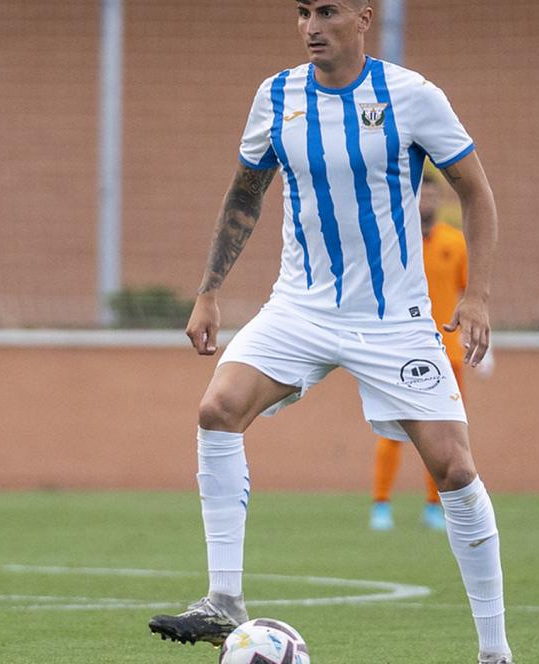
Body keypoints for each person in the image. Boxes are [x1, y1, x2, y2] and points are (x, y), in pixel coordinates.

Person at [148, 1, 514, 662]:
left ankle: (495, 653)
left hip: (393, 319)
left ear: (363, 18)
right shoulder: (276, 96)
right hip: (300, 308)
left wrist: (478, 296)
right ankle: (224, 598)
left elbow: (477, 193)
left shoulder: (411, 96)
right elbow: (245, 193)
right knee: (217, 410)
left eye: (326, 11)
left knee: (455, 469)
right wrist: (209, 291)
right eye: (301, 12)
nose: (311, 26)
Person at [371, 170, 471, 532]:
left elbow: (468, 293)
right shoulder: (395, 242)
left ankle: (434, 506)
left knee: (445, 433)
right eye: (420, 196)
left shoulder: (455, 243)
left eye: (431, 196)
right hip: (400, 353)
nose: (426, 203)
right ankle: (381, 504)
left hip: (447, 355)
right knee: (392, 430)